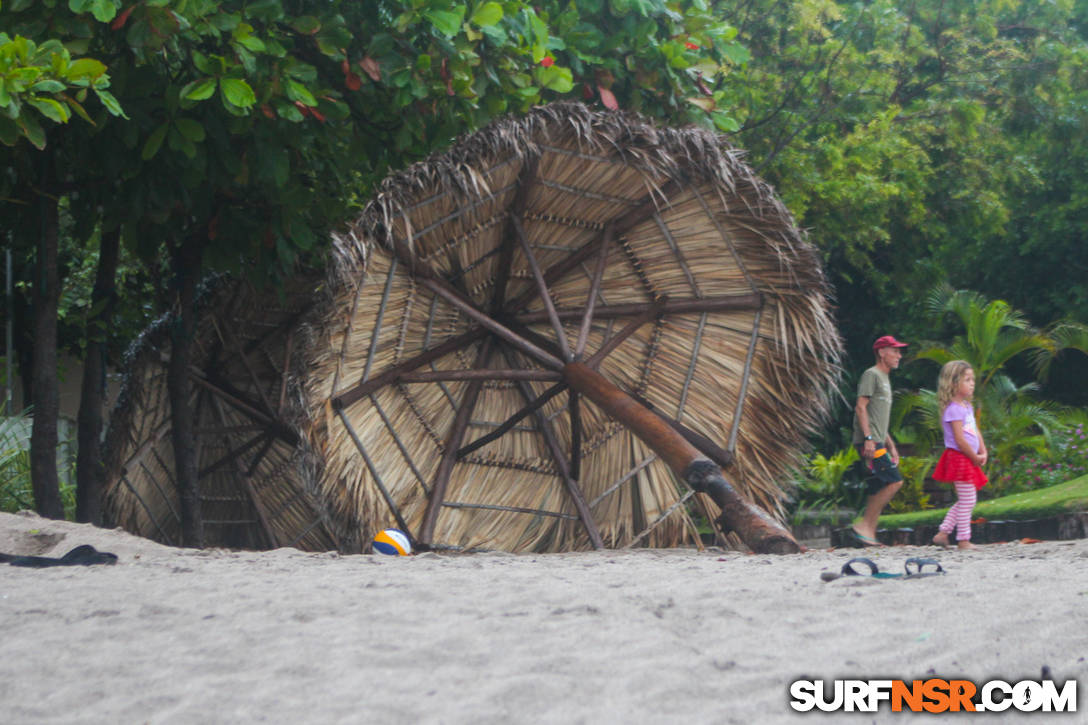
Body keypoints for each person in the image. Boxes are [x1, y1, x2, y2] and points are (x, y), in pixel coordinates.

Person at [850, 335, 908, 546]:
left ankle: (868, 532)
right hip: (870, 442)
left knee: (878, 486)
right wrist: (868, 439)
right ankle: (863, 525)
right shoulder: (871, 375)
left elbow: (879, 419)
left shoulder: (885, 379)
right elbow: (861, 407)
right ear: (882, 352)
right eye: (895, 351)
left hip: (878, 441)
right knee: (895, 481)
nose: (899, 356)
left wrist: (892, 446)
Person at [931, 360, 988, 550]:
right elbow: (960, 439)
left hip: (968, 457)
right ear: (954, 383)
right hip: (959, 457)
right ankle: (963, 540)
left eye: (972, 379)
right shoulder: (954, 409)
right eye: (967, 379)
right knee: (968, 500)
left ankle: (943, 533)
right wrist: (973, 456)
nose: (972, 383)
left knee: (966, 499)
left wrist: (983, 450)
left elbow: (974, 430)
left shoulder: (966, 406)